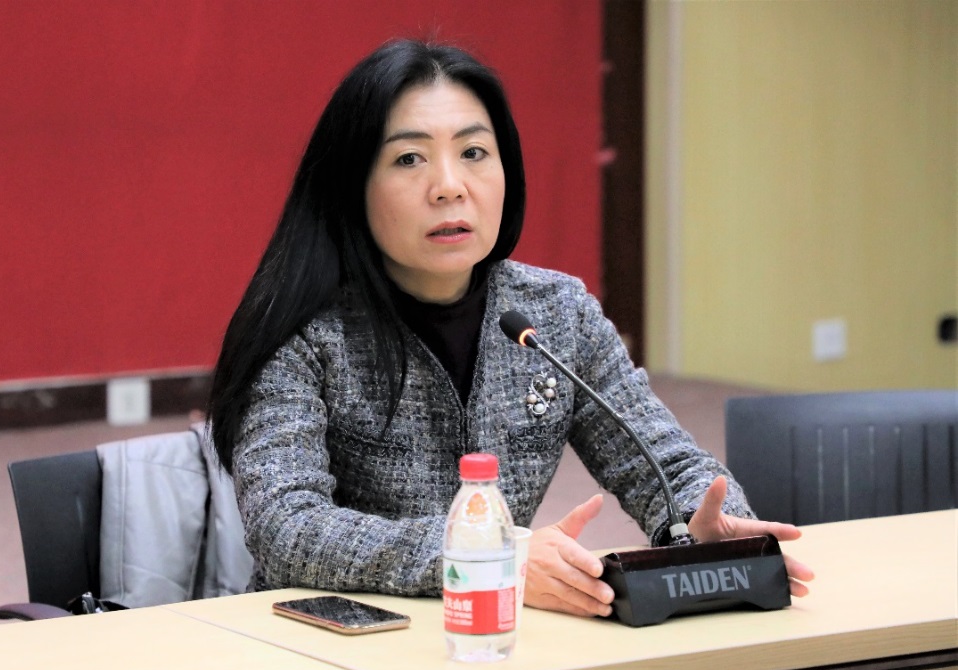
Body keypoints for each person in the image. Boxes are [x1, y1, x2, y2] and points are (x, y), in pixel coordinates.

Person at [207, 39, 813, 618]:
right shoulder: (303, 330)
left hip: (495, 638)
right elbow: (287, 528)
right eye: (409, 159)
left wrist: (706, 526)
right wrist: (486, 555)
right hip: (332, 644)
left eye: (473, 152)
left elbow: (667, 464)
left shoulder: (555, 312)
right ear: (352, 186)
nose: (450, 186)